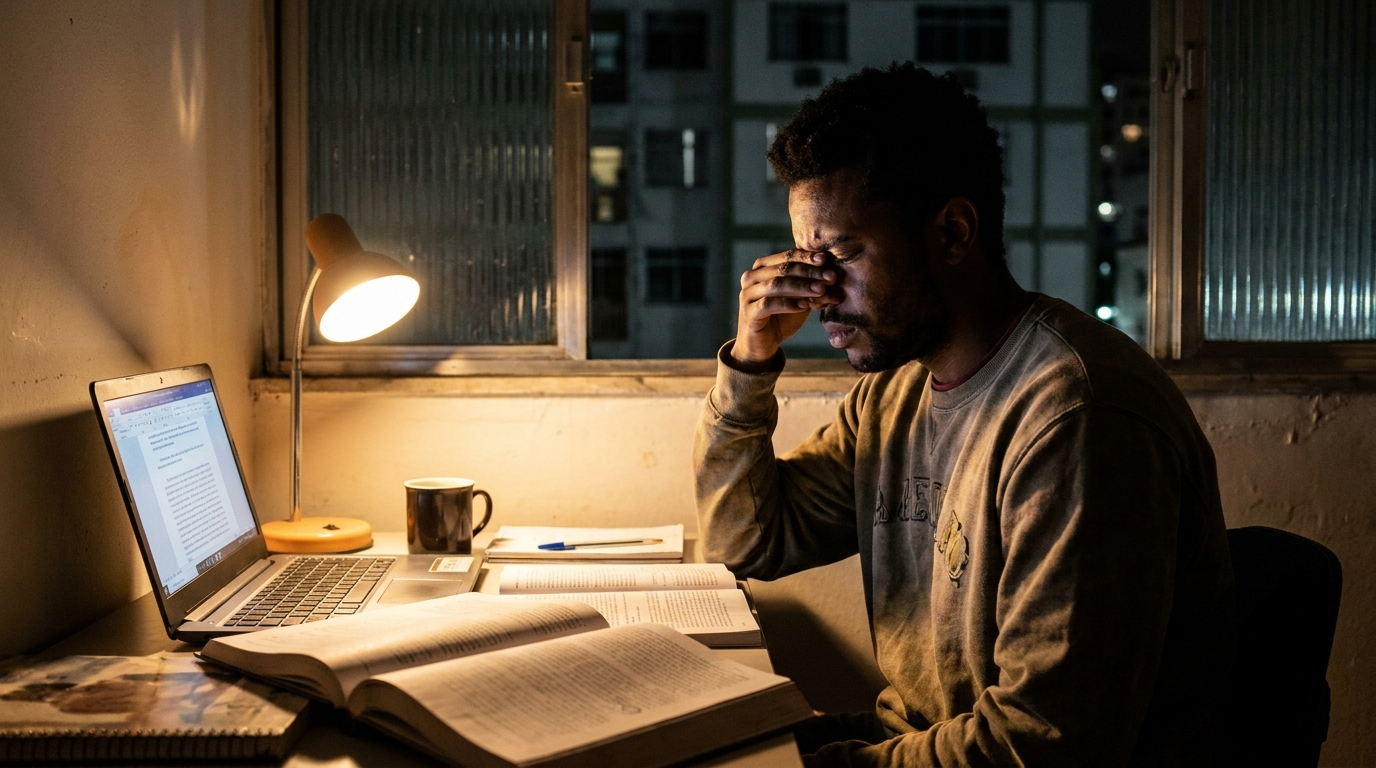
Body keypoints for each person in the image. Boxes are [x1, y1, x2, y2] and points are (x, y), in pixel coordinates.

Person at [693, 63, 1233, 767]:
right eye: (806, 257)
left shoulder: (1077, 415)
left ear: (951, 234)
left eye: (844, 253)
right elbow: (742, 543)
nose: (820, 290)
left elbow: (1043, 742)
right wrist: (750, 360)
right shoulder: (892, 399)